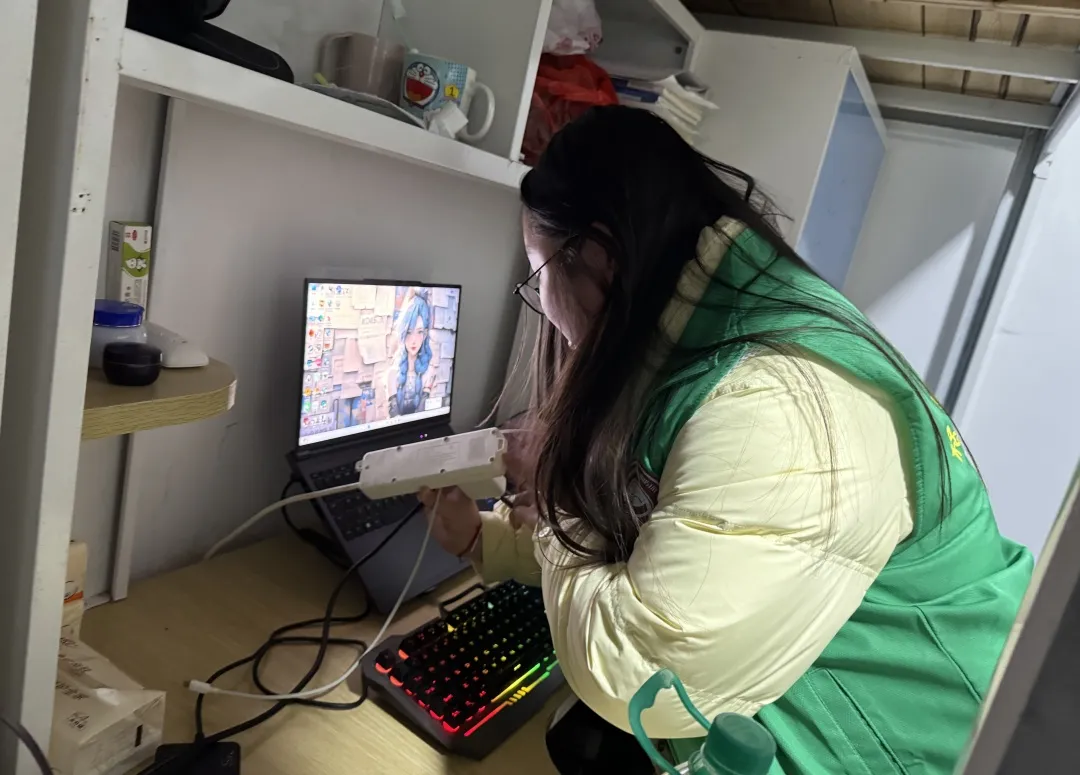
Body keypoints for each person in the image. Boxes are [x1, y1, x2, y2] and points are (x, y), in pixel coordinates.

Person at [419, 106, 1033, 774]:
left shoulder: (777, 407)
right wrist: (486, 542)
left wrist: (561, 484)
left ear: (598, 257)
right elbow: (677, 546)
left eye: (539, 278)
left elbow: (641, 676)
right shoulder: (695, 337)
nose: (547, 309)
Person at [388, 290, 435, 417]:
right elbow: (393, 418)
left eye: (419, 332)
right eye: (409, 332)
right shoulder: (393, 374)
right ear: (403, 333)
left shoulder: (429, 373)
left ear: (425, 334)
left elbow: (424, 415)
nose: (414, 340)